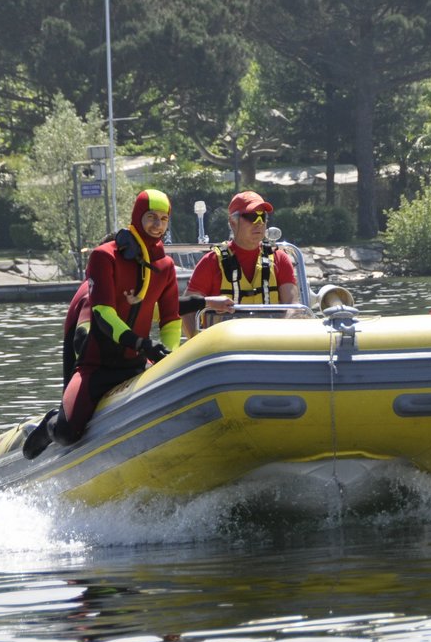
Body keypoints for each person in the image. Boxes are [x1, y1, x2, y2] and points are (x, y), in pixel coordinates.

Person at [24, 188, 232, 459]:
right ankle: (50, 422)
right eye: (151, 217)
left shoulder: (166, 266)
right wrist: (141, 344)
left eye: (163, 219)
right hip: (96, 367)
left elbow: (169, 317)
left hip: (135, 365)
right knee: (66, 432)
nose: (157, 225)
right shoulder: (104, 256)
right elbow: (103, 314)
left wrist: (165, 355)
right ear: (137, 216)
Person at [182, 190, 298, 337]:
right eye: (251, 217)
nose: (259, 223)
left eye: (263, 217)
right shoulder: (210, 262)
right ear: (233, 222)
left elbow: (293, 307)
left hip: (270, 345)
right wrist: (196, 344)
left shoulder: (281, 259)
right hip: (224, 352)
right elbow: (187, 311)